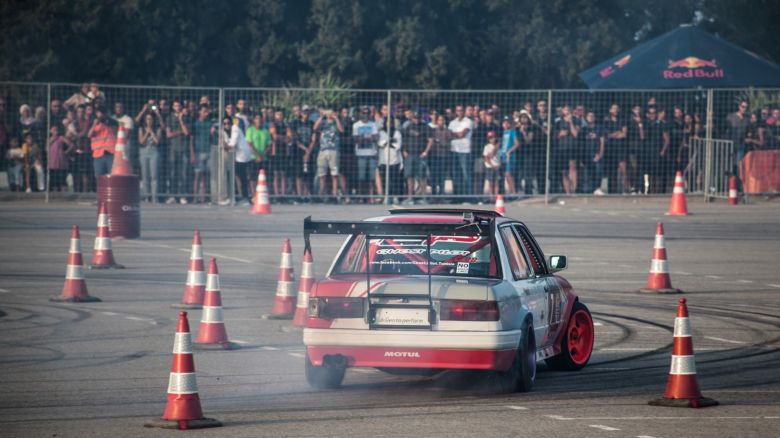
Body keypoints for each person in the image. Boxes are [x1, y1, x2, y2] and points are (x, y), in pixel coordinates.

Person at [401, 110, 432, 204]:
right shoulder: (408, 127)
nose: (417, 119)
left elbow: (430, 140)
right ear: (412, 118)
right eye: (415, 117)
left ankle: (424, 198)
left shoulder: (425, 127)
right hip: (410, 155)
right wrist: (404, 151)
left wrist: (426, 152)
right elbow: (403, 139)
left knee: (422, 177)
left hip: (420, 155)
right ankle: (410, 197)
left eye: (418, 117)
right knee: (410, 177)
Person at [313, 108, 343, 202]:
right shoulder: (323, 122)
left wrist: (336, 118)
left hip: (334, 150)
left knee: (334, 174)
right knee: (322, 174)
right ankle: (321, 195)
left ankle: (334, 196)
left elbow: (341, 130)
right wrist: (321, 117)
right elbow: (315, 128)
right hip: (323, 150)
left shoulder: (336, 122)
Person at [165, 100, 191, 204]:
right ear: (173, 107)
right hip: (173, 149)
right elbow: (168, 134)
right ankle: (172, 195)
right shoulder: (169, 118)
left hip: (183, 149)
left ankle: (182, 196)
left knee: (183, 173)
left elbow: (186, 132)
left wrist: (181, 120)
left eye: (179, 105)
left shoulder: (186, 118)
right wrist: (179, 132)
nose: (177, 107)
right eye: (175, 105)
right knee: (172, 173)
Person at [352, 107, 379, 202]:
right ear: (360, 114)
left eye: (367, 113)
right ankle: (360, 197)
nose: (365, 115)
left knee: (371, 177)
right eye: (363, 113)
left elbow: (376, 137)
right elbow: (355, 139)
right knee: (361, 177)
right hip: (360, 154)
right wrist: (368, 137)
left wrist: (363, 137)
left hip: (371, 153)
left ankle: (371, 197)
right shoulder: (356, 125)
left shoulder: (373, 124)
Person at [290, 106, 315, 201]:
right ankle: (299, 195)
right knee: (298, 174)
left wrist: (309, 151)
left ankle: (306, 195)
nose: (306, 114)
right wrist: (305, 149)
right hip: (298, 151)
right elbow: (295, 138)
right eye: (304, 112)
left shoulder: (311, 123)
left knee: (308, 174)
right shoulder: (295, 123)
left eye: (307, 112)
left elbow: (314, 138)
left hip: (310, 151)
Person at [448, 105, 473, 199]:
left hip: (465, 151)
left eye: (461, 110)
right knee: (455, 175)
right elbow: (449, 135)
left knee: (466, 174)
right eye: (458, 110)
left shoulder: (468, 121)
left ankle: (468, 197)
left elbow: (463, 134)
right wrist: (457, 134)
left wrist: (455, 134)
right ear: (456, 112)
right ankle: (456, 197)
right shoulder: (452, 122)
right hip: (454, 150)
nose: (460, 112)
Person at [228, 116, 253, 205]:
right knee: (241, 176)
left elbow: (233, 142)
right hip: (241, 155)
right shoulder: (235, 128)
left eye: (228, 123)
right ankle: (244, 196)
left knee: (241, 177)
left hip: (241, 156)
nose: (226, 125)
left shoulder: (234, 128)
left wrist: (227, 145)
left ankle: (245, 197)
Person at [191, 106, 214, 204]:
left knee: (205, 176)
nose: (206, 113)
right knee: (197, 175)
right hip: (198, 151)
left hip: (208, 151)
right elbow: (191, 139)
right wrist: (192, 153)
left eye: (207, 111)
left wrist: (212, 133)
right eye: (204, 111)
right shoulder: (195, 123)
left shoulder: (209, 123)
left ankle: (203, 197)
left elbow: (212, 138)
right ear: (200, 112)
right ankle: (195, 197)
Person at [376, 121, 403, 202]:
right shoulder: (381, 133)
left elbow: (398, 146)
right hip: (384, 160)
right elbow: (380, 144)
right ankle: (386, 196)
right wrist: (388, 141)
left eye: (390, 122)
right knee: (384, 179)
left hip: (394, 160)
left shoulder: (397, 133)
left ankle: (395, 196)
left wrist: (389, 143)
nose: (389, 124)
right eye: (387, 122)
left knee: (395, 179)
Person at [554, 105, 579, 194]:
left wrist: (571, 122)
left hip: (572, 147)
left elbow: (576, 134)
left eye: (569, 109)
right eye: (565, 110)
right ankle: (567, 191)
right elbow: (555, 136)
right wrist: (561, 134)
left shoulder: (576, 120)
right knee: (564, 171)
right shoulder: (558, 122)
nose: (567, 111)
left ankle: (574, 190)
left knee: (573, 167)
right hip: (562, 148)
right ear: (563, 111)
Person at [603, 103, 627, 193]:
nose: (615, 110)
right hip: (610, 149)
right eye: (613, 108)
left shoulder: (622, 120)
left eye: (617, 108)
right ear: (610, 110)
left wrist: (614, 134)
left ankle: (625, 189)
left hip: (621, 148)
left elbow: (624, 134)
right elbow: (607, 135)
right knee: (612, 171)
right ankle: (612, 191)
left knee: (623, 169)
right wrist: (617, 133)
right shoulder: (606, 121)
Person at [87, 106, 116, 179]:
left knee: (112, 177)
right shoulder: (93, 123)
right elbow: (89, 135)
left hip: (110, 153)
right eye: (100, 113)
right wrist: (94, 124)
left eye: (103, 113)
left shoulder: (112, 122)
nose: (101, 115)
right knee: (99, 178)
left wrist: (107, 121)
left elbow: (115, 130)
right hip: (98, 154)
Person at [269, 109, 292, 198]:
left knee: (283, 174)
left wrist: (281, 137)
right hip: (275, 152)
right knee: (276, 174)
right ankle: (276, 195)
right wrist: (284, 137)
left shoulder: (286, 125)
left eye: (281, 114)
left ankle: (283, 194)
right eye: (278, 114)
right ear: (275, 115)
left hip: (284, 152)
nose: (279, 116)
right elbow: (274, 136)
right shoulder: (272, 124)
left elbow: (290, 137)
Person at [581, 112, 605, 195]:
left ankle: (597, 188)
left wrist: (600, 153)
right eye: (588, 116)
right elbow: (581, 143)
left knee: (598, 171)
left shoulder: (599, 128)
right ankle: (587, 189)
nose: (590, 117)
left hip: (596, 153)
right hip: (586, 154)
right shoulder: (584, 129)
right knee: (587, 172)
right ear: (586, 117)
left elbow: (602, 141)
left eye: (592, 116)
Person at [428, 114, 450, 198]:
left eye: (442, 120)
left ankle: (441, 195)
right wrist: (438, 142)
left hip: (444, 156)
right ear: (437, 121)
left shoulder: (447, 131)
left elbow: (448, 143)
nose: (441, 122)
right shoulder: (432, 131)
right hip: (434, 156)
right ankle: (433, 195)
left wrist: (438, 142)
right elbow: (431, 142)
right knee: (434, 176)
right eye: (439, 120)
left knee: (442, 176)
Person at [47, 126, 74, 192]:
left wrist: (66, 152)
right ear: (50, 131)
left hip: (60, 161)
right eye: (53, 130)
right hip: (52, 162)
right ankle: (55, 195)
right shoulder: (49, 139)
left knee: (62, 179)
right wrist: (53, 139)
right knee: (54, 180)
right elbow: (46, 148)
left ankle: (63, 194)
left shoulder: (61, 138)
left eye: (56, 129)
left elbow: (71, 145)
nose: (55, 131)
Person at [499, 116, 519, 194]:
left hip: (510, 156)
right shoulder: (504, 133)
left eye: (507, 123)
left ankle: (513, 192)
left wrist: (510, 151)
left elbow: (517, 144)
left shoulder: (512, 131)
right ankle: (510, 192)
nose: (505, 124)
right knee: (506, 175)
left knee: (509, 174)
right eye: (504, 123)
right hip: (503, 156)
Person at [483, 131, 501, 197]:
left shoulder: (499, 147)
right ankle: (491, 196)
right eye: (490, 138)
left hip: (497, 166)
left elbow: (500, 157)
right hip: (490, 167)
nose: (492, 139)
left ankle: (496, 196)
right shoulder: (487, 147)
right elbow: (486, 158)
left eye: (493, 137)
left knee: (497, 182)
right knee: (491, 182)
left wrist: (499, 164)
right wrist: (492, 165)